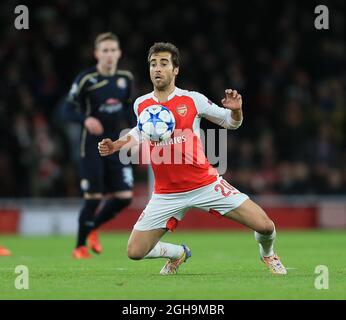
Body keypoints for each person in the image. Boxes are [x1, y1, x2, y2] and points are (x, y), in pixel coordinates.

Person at [98, 42, 287, 275]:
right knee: (135, 251)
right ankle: (178, 253)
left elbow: (230, 122)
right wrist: (116, 144)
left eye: (164, 64)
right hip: (166, 193)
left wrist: (236, 110)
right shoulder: (142, 104)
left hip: (205, 184)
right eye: (153, 64)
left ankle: (268, 254)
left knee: (266, 226)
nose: (157, 69)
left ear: (175, 69)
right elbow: (139, 132)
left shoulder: (192, 100)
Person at [62, 32, 136, 259]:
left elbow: (131, 110)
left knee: (124, 197)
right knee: (93, 198)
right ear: (96, 54)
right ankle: (79, 246)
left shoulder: (126, 79)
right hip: (92, 145)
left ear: (119, 53)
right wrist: (85, 119)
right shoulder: (86, 79)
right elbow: (66, 109)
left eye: (113, 50)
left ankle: (93, 227)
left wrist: (135, 137)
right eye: (105, 50)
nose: (109, 55)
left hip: (116, 144)